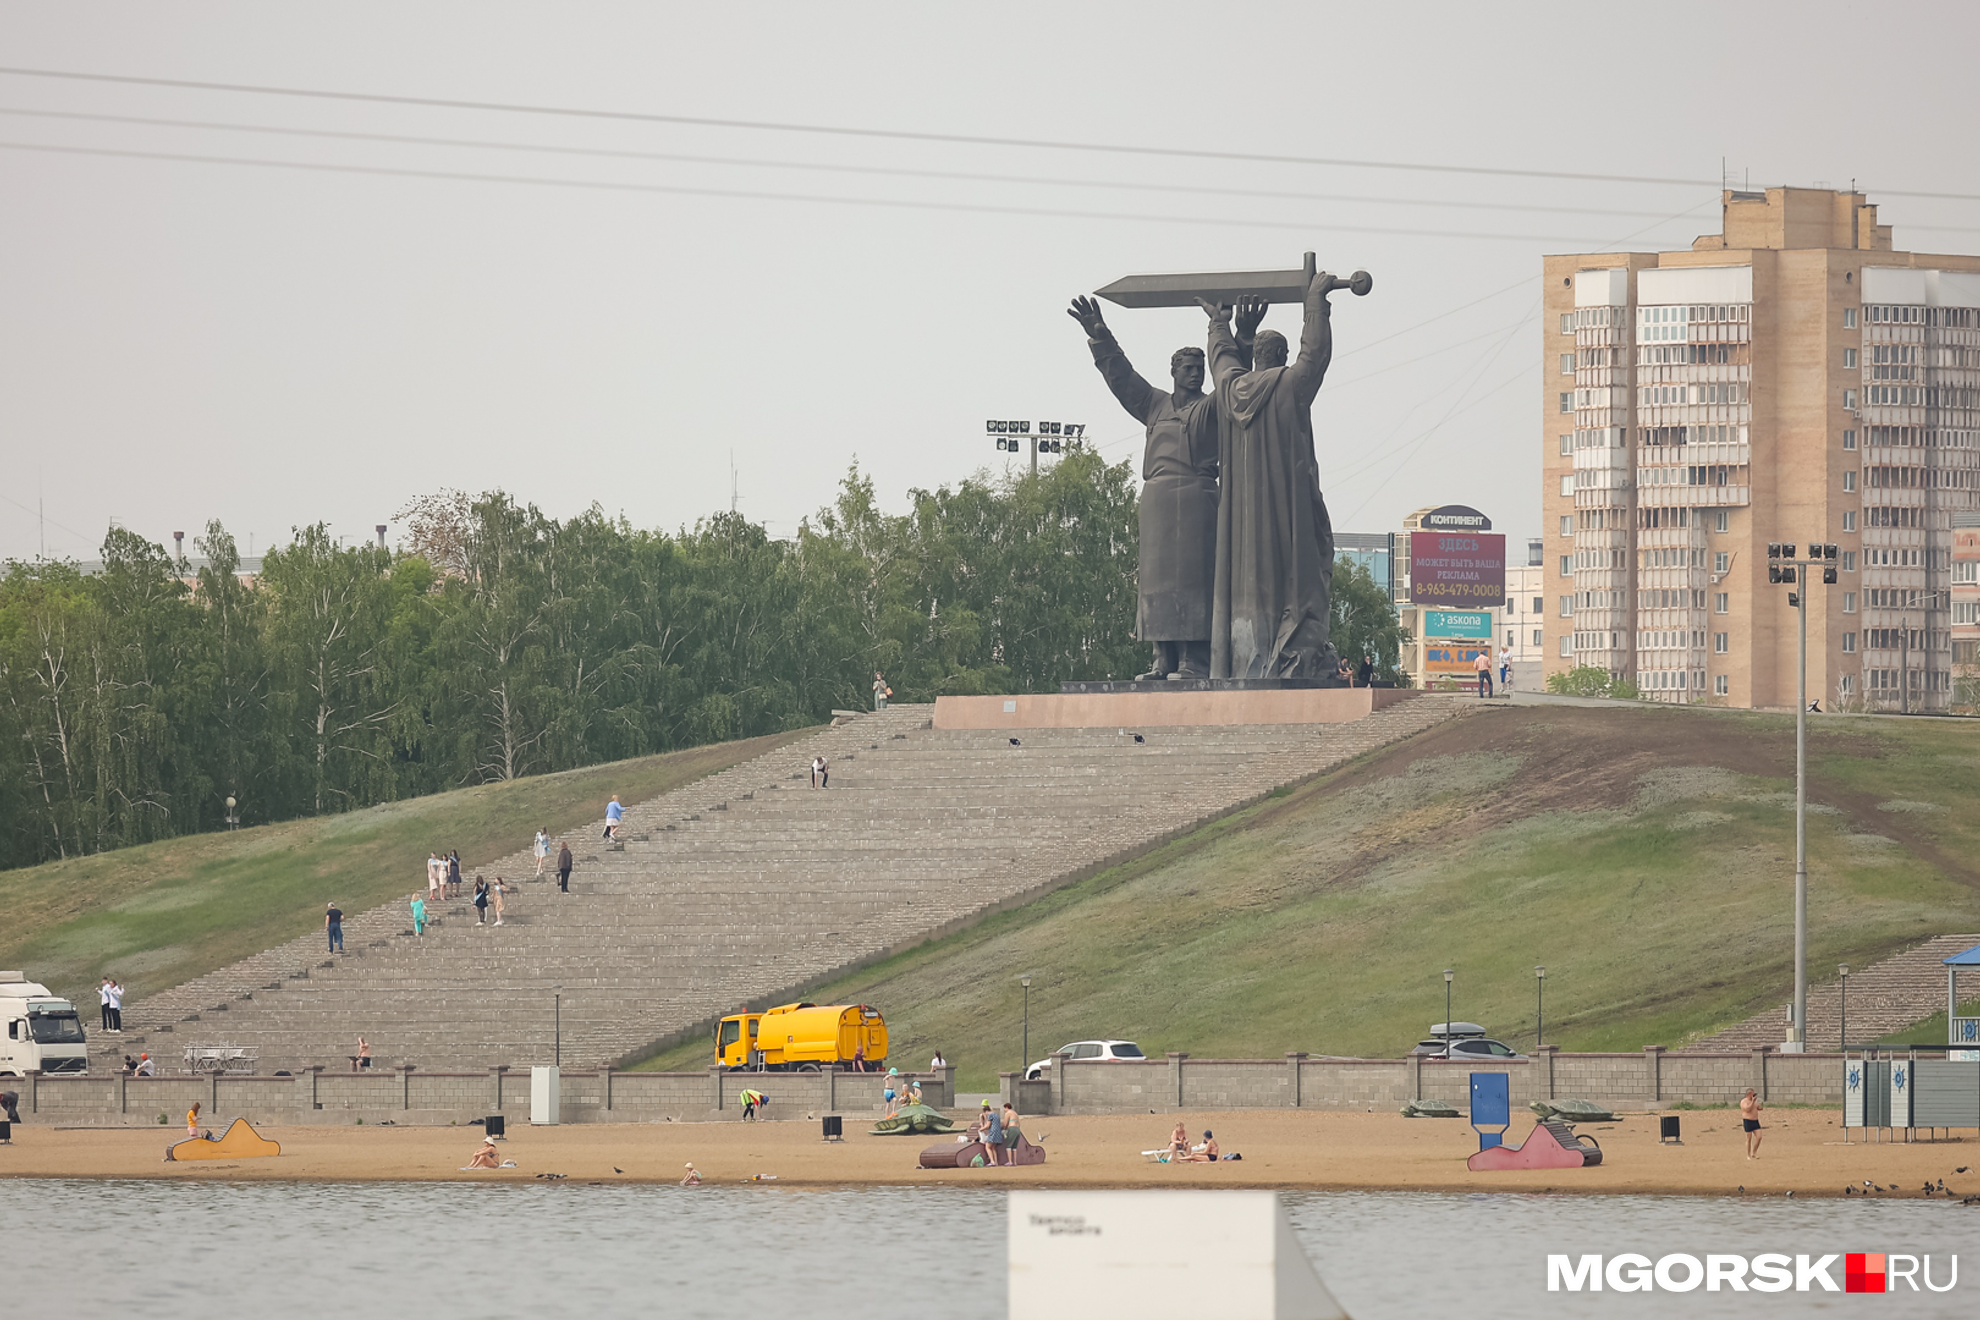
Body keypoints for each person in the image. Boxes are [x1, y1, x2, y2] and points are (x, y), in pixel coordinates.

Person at [1072, 294, 1260, 680]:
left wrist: (1241, 334)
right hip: (1157, 501)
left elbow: (1234, 380)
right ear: (1173, 371)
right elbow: (1121, 378)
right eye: (1187, 367)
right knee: (1157, 582)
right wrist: (1100, 336)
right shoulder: (1154, 405)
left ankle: (1194, 660)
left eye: (1198, 368)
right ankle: (1162, 659)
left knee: (1195, 580)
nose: (1194, 373)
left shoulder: (1212, 406)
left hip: (1198, 500)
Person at [1200, 277, 1339, 679]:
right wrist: (1316, 305)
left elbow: (1222, 360)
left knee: (1249, 582)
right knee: (1300, 570)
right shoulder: (1290, 385)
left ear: (1257, 356)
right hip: (1287, 504)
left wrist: (1219, 325)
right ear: (1281, 355)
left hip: (1241, 519)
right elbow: (1315, 355)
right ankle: (1286, 651)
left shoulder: (1228, 391)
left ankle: (1248, 659)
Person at [1740, 1088, 1764, 1159]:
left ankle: (1754, 1152)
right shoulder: (1744, 1101)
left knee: (1759, 1137)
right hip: (1748, 1121)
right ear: (1749, 1094)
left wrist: (1759, 1106)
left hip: (1755, 1121)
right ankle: (1748, 1154)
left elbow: (1759, 1108)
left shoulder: (1754, 1102)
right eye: (1753, 1094)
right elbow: (1747, 1109)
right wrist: (1752, 1102)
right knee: (1749, 1138)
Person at [981, 1101, 1005, 1165]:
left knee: (987, 1147)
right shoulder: (996, 1115)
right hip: (998, 1132)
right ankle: (996, 1162)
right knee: (993, 1148)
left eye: (985, 1113)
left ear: (986, 1111)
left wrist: (981, 1129)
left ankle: (992, 1161)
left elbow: (988, 1125)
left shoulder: (990, 1115)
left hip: (993, 1132)